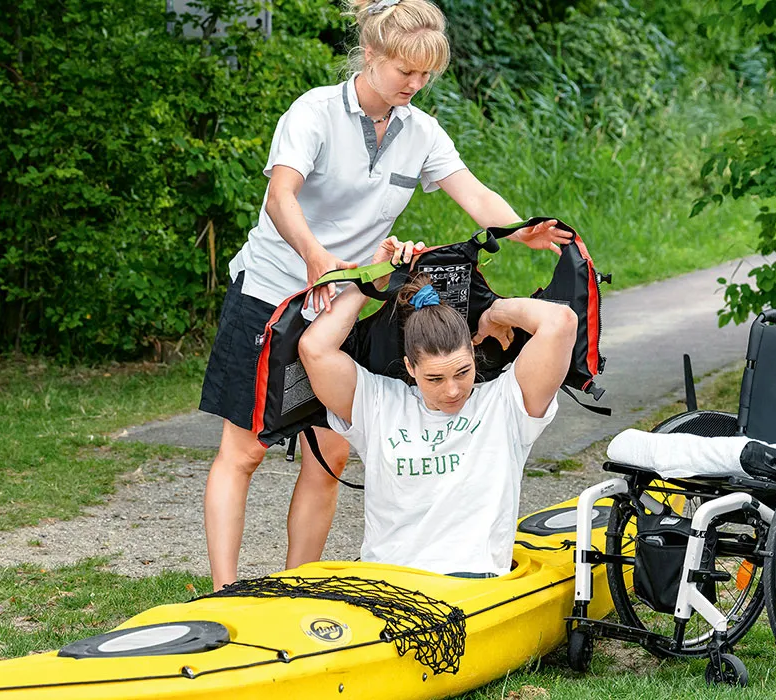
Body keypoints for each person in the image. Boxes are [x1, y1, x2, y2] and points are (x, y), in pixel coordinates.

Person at [199, 0, 572, 590]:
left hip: (341, 304)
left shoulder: (421, 132)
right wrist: (315, 256)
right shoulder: (315, 112)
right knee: (244, 452)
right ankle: (222, 591)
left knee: (330, 455)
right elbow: (280, 197)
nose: (415, 84)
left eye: (426, 74)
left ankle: (295, 588)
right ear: (371, 54)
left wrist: (519, 230)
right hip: (272, 293)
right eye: (406, 71)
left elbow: (474, 194)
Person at [297, 237, 577, 576]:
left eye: (463, 372)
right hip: (387, 580)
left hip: (470, 584)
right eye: (435, 379)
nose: (453, 390)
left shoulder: (504, 404)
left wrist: (495, 313)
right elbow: (314, 348)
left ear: (473, 354)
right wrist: (374, 278)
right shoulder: (378, 402)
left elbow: (561, 322)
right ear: (411, 368)